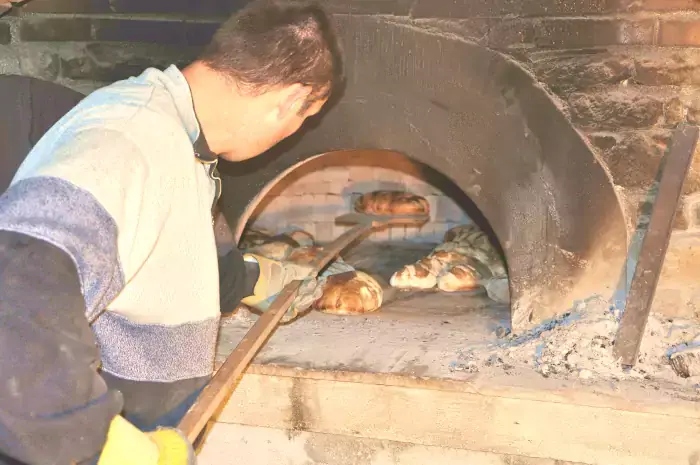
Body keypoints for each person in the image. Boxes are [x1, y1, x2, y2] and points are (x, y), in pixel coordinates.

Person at [0, 1, 344, 464]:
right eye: (307, 118)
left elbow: (168, 258)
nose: (294, 133)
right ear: (289, 100)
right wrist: (102, 446)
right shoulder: (125, 139)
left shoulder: (180, 140)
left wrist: (259, 279)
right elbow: (17, 302)